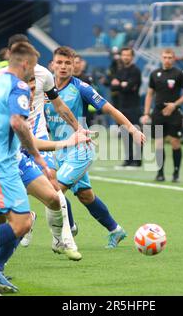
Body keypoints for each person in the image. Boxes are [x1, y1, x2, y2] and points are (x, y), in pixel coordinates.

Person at [0, 41, 87, 295]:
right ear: (24, 64)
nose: (34, 74)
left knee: (40, 204)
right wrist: (57, 147)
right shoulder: (18, 87)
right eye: (32, 67)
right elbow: (20, 126)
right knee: (17, 223)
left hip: (11, 160)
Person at [47, 46, 146, 248]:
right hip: (60, 150)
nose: (64, 67)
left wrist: (133, 130)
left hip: (81, 150)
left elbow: (110, 109)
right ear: (52, 64)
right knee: (85, 195)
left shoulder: (81, 88)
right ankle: (115, 230)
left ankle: (67, 232)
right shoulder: (45, 88)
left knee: (54, 190)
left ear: (75, 65)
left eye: (68, 63)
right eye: (60, 62)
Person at [141, 48, 183, 183]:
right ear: (161, 58)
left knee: (175, 142)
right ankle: (160, 173)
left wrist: (174, 105)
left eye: (170, 57)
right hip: (158, 113)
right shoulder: (155, 74)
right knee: (159, 143)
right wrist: (146, 113)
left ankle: (176, 173)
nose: (167, 60)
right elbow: (149, 94)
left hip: (174, 113)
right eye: (165, 57)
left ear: (174, 59)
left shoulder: (179, 74)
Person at [110, 47, 142, 167]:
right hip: (122, 107)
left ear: (132, 57)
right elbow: (113, 86)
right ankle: (128, 159)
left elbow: (130, 87)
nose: (125, 57)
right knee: (124, 133)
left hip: (133, 106)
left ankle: (137, 160)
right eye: (124, 55)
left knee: (136, 132)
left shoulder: (136, 71)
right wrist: (122, 85)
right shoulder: (120, 70)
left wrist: (121, 85)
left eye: (128, 55)